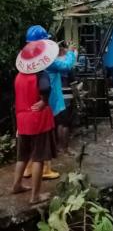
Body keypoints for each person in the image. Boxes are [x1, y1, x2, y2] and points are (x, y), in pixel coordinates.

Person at [22, 27, 77, 180]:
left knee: (33, 136)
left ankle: (28, 168)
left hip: (31, 99)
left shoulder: (27, 59)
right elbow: (65, 66)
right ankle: (44, 168)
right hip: (48, 100)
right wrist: (71, 52)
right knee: (45, 135)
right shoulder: (46, 60)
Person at [12, 39, 59, 204]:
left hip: (22, 120)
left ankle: (16, 185)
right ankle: (35, 196)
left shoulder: (19, 76)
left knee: (22, 155)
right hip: (37, 120)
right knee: (39, 157)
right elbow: (45, 88)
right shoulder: (41, 74)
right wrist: (44, 101)